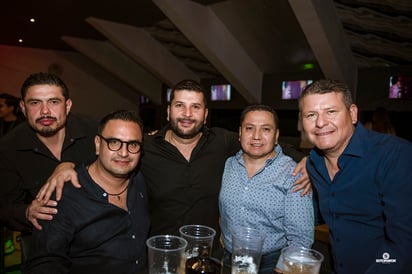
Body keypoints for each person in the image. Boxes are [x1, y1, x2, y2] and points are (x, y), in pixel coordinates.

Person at [36, 80, 311, 257]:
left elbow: (262, 141)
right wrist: (66, 165)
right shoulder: (143, 146)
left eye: (195, 107)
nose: (187, 114)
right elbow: (104, 155)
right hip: (159, 255)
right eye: (180, 105)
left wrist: (309, 162)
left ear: (205, 114)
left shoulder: (223, 142)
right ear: (168, 112)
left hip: (209, 258)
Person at [299, 79, 412, 274]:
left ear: (352, 114)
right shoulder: (313, 164)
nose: (320, 122)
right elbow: (325, 213)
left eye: (331, 112)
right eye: (311, 115)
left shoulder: (395, 155)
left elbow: (405, 244)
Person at [22, 110, 149, 274]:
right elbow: (45, 263)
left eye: (132, 144)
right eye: (114, 142)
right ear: (97, 144)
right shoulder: (63, 196)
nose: (124, 153)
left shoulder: (138, 180)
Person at [219, 104, 314, 274]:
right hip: (227, 260)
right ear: (240, 133)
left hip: (270, 265)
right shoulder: (228, 165)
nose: (256, 136)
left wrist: (285, 268)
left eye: (266, 129)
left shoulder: (294, 174)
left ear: (276, 136)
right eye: (249, 128)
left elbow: (301, 237)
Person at [0, 72, 97, 233]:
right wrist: (26, 212)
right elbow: (5, 206)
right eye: (35, 103)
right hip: (48, 241)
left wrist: (72, 166)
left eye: (53, 102)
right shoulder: (8, 149)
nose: (45, 111)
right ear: (23, 108)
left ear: (67, 106)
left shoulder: (95, 131)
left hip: (100, 234)